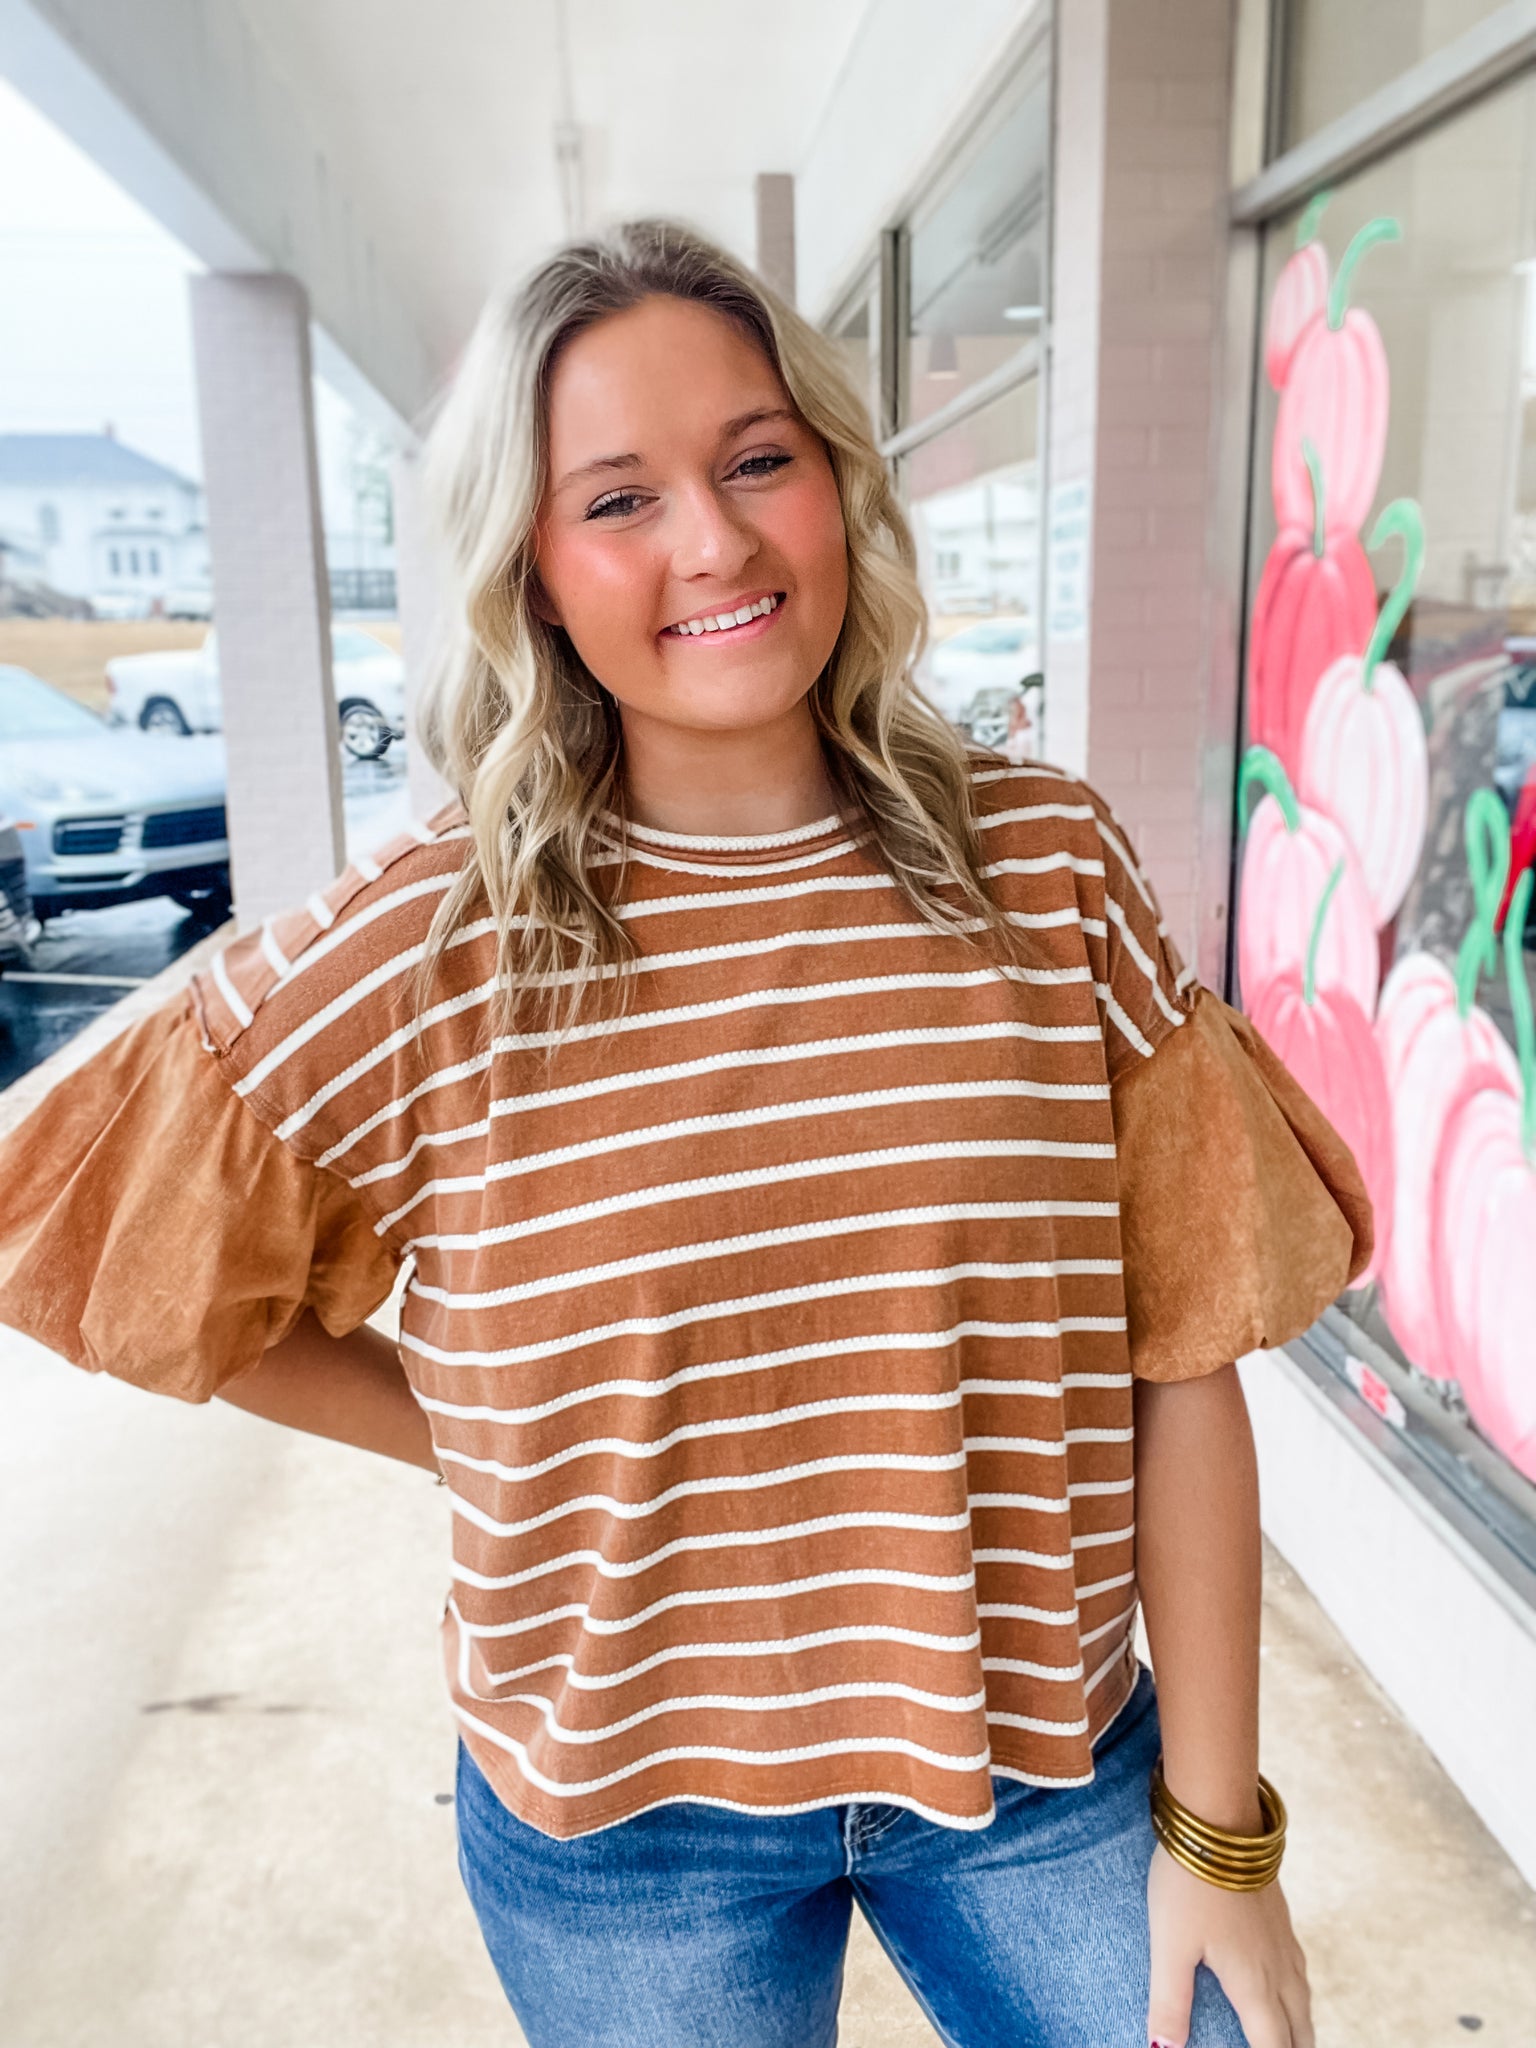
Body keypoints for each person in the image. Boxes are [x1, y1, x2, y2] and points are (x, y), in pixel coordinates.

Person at [0, 220, 1369, 2048]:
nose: (714, 543)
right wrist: (483, 1436)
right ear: (535, 572)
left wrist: (1223, 1841)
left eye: (754, 461)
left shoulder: (1043, 865)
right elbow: (108, 1256)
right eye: (618, 499)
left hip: (1044, 1764)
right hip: (627, 1829)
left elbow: (1182, 1360)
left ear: (833, 484)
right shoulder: (434, 944)